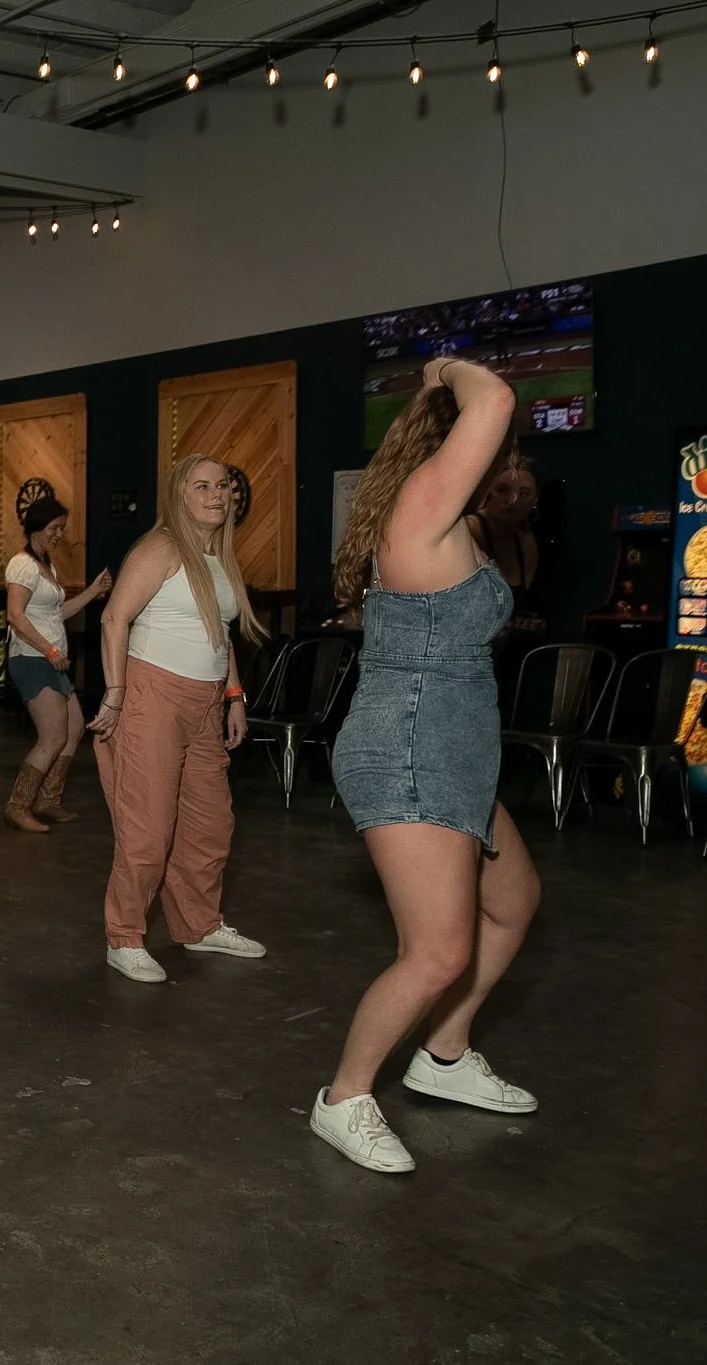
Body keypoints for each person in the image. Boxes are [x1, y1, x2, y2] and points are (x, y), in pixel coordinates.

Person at [317, 358, 540, 1174]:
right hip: (408, 745)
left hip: (457, 745)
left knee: (513, 903)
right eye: (499, 451)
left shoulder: (459, 525)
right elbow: (498, 395)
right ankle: (343, 1096)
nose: (507, 465)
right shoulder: (422, 506)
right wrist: (443, 369)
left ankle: (444, 1053)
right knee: (438, 950)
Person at [88, 454, 269, 984]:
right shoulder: (161, 547)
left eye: (223, 486)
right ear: (179, 495)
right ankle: (124, 937)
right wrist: (116, 693)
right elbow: (113, 617)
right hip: (153, 696)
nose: (217, 495)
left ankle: (199, 925)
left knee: (211, 824)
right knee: (147, 829)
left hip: (205, 702)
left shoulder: (218, 557)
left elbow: (219, 633)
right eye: (202, 486)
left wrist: (234, 696)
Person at [1, 496, 112, 832]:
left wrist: (93, 591)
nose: (59, 534)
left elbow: (56, 613)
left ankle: (48, 800)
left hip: (50, 660)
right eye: (54, 527)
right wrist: (49, 650)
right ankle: (17, 806)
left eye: (62, 528)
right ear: (37, 527)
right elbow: (15, 616)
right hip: (32, 659)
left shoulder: (46, 566)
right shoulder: (22, 565)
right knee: (52, 737)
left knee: (74, 728)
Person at [464, 458, 541, 630]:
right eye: (502, 490)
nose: (513, 500)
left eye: (524, 494)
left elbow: (515, 611)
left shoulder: (526, 543)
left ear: (534, 502)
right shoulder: (470, 531)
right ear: (487, 492)